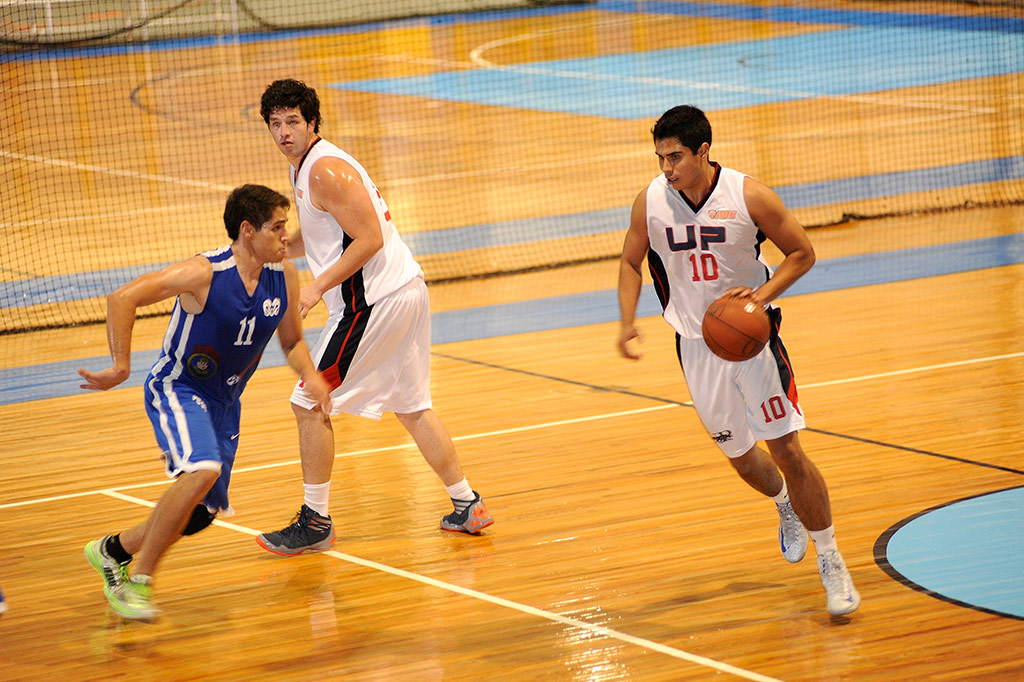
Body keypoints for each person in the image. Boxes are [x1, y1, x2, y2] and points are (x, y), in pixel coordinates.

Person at [616, 105, 860, 617]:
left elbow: (802, 252)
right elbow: (629, 260)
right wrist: (626, 321)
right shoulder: (651, 202)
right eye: (660, 157)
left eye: (675, 156)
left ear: (703, 151)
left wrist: (757, 299)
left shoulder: (748, 195)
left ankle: (832, 559)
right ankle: (784, 507)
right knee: (742, 457)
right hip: (696, 347)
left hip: (754, 343)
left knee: (787, 449)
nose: (666, 167)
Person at [254, 78, 492, 556]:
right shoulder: (309, 168)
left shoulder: (325, 171)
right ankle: (467, 504)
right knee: (411, 406)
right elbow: (327, 234)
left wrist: (317, 287)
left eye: (292, 122)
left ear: (312, 123)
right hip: (404, 293)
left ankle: (316, 521)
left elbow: (369, 239)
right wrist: (275, 251)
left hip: (373, 302)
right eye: (275, 124)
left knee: (308, 401)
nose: (283, 132)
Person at [79, 184, 332, 622]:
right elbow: (123, 297)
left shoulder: (284, 275)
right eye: (277, 227)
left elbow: (291, 340)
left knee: (201, 513)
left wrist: (311, 374)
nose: (286, 235)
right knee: (203, 469)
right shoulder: (206, 273)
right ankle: (139, 581)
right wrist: (120, 366)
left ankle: (111, 550)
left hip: (225, 401)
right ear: (248, 231)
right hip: (178, 388)